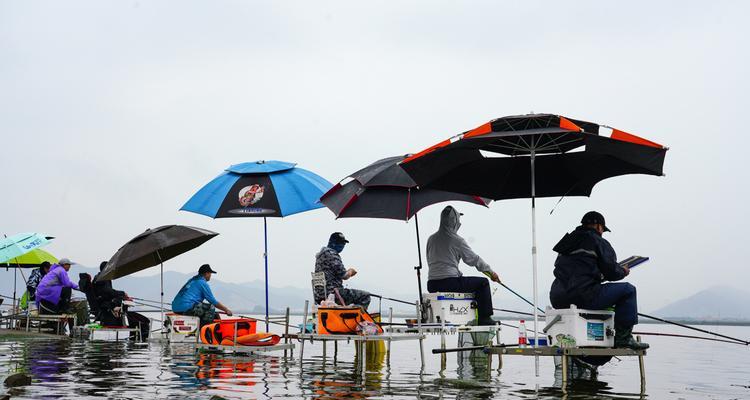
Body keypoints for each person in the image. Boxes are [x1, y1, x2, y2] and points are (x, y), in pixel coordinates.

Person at [549, 211, 649, 350]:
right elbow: (612, 272)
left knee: (604, 293)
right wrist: (623, 271)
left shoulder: (567, 242)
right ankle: (623, 338)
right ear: (598, 226)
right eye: (603, 229)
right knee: (628, 290)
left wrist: (599, 275)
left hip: (558, 298)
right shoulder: (598, 241)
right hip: (583, 296)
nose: (602, 232)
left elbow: (577, 270)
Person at [426, 205, 500, 326]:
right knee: (483, 283)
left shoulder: (431, 239)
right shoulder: (457, 240)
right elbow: (474, 260)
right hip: (449, 282)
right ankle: (484, 318)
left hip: (432, 284)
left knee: (466, 282)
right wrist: (491, 273)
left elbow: (429, 260)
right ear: (454, 221)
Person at [90, 261, 151, 340]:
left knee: (122, 300)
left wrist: (121, 296)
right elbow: (108, 291)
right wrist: (123, 294)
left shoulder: (98, 278)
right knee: (124, 302)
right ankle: (139, 335)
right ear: (106, 269)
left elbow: (108, 292)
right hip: (106, 306)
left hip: (105, 304)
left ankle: (121, 312)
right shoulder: (102, 279)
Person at [314, 232, 371, 309]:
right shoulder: (332, 254)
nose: (343, 246)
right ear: (333, 243)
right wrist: (351, 271)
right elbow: (344, 275)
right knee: (365, 296)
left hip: (319, 295)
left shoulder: (320, 255)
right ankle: (352, 317)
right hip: (333, 294)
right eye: (341, 243)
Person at [36, 258, 89, 328]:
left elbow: (65, 283)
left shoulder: (57, 270)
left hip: (43, 291)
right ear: (64, 265)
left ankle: (63, 308)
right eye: (69, 265)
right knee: (67, 289)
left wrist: (77, 288)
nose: (70, 267)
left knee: (64, 289)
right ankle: (65, 308)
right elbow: (67, 283)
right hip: (45, 291)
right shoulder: (61, 270)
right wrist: (79, 288)